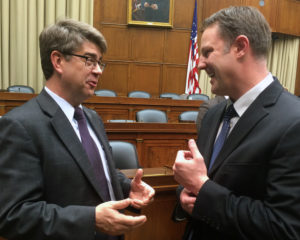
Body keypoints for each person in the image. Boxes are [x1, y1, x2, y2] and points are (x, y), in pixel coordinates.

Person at [0, 19, 155, 240]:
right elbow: (13, 215)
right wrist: (90, 219)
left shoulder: (92, 118)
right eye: (89, 60)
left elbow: (94, 175)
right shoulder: (20, 125)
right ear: (58, 61)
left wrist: (127, 187)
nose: (99, 70)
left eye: (100, 62)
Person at [173, 6, 300, 240]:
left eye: (208, 52)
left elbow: (286, 228)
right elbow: (200, 181)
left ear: (240, 47)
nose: (199, 64)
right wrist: (185, 194)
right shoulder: (214, 114)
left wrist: (202, 190)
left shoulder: (294, 122)